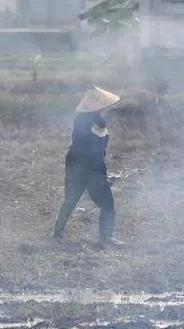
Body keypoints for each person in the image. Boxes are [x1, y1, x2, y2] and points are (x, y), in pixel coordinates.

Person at [52, 86, 124, 248]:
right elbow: (96, 151)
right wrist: (103, 174)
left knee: (70, 200)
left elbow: (98, 150)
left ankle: (57, 234)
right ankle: (106, 238)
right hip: (88, 165)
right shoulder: (97, 122)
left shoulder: (81, 120)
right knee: (107, 204)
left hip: (76, 162)